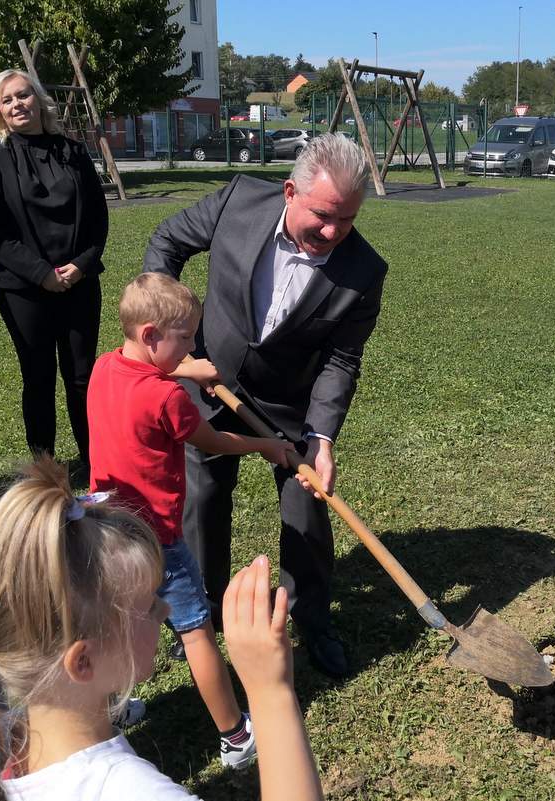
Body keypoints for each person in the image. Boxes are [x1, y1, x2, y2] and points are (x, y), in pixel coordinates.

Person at [0, 460, 323, 801]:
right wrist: (271, 694)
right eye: (149, 605)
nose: (164, 609)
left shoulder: (7, 745)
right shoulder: (125, 789)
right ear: (83, 661)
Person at [142, 133, 388, 678]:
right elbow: (168, 241)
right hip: (210, 381)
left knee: (306, 508)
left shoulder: (364, 271)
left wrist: (321, 439)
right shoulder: (237, 202)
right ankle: (199, 613)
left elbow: (341, 361)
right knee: (203, 497)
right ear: (288, 192)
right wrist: (171, 335)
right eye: (323, 216)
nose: (332, 233)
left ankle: (313, 617)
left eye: (346, 221)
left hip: (290, 402)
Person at [87, 272, 294, 768]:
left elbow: (142, 376)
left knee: (116, 625)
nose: (191, 349)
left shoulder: (103, 368)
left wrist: (184, 369)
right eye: (183, 340)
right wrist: (269, 445)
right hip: (155, 537)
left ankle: (109, 714)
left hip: (103, 532)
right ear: (151, 335)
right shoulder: (166, 400)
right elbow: (215, 442)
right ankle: (236, 737)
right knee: (196, 631)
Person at [0, 69, 108, 466]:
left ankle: (94, 459)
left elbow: (98, 218)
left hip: (79, 283)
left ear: (39, 99)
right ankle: (44, 467)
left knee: (82, 378)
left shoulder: (74, 151)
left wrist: (80, 266)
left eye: (23, 95)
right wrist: (41, 274)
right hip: (23, 289)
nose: (17, 105)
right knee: (38, 377)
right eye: (7, 100)